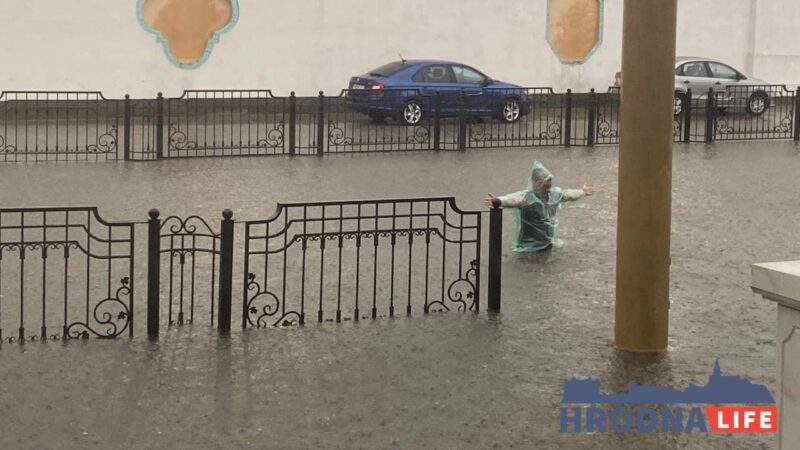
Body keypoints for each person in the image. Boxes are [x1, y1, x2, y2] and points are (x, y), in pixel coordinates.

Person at [484, 160, 592, 252]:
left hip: (547, 241)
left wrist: (582, 192)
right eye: (545, 184)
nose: (548, 187)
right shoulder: (527, 198)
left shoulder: (554, 195)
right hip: (527, 244)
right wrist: (498, 201)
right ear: (536, 183)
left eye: (549, 183)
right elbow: (513, 200)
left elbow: (568, 195)